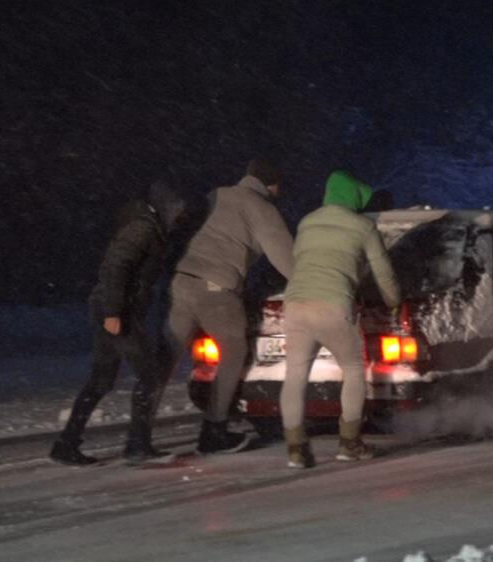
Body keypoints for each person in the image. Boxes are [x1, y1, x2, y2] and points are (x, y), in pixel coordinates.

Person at [50, 181, 186, 466]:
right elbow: (116, 266)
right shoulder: (143, 228)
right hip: (117, 312)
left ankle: (66, 444)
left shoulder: (148, 227)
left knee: (101, 380)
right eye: (176, 210)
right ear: (165, 208)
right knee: (150, 375)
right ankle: (137, 446)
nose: (178, 217)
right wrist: (113, 312)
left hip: (114, 309)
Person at [166, 157, 294, 454]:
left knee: (168, 355)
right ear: (271, 184)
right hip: (217, 289)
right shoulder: (262, 209)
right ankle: (214, 429)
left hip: (182, 281)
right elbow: (287, 261)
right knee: (234, 349)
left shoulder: (216, 195)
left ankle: (139, 436)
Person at [279, 171, 401, 468]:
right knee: (353, 368)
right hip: (333, 306)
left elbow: (301, 261)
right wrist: (394, 301)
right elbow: (382, 271)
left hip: (295, 304)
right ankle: (350, 443)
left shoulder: (307, 222)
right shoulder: (363, 226)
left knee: (295, 376)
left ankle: (296, 447)